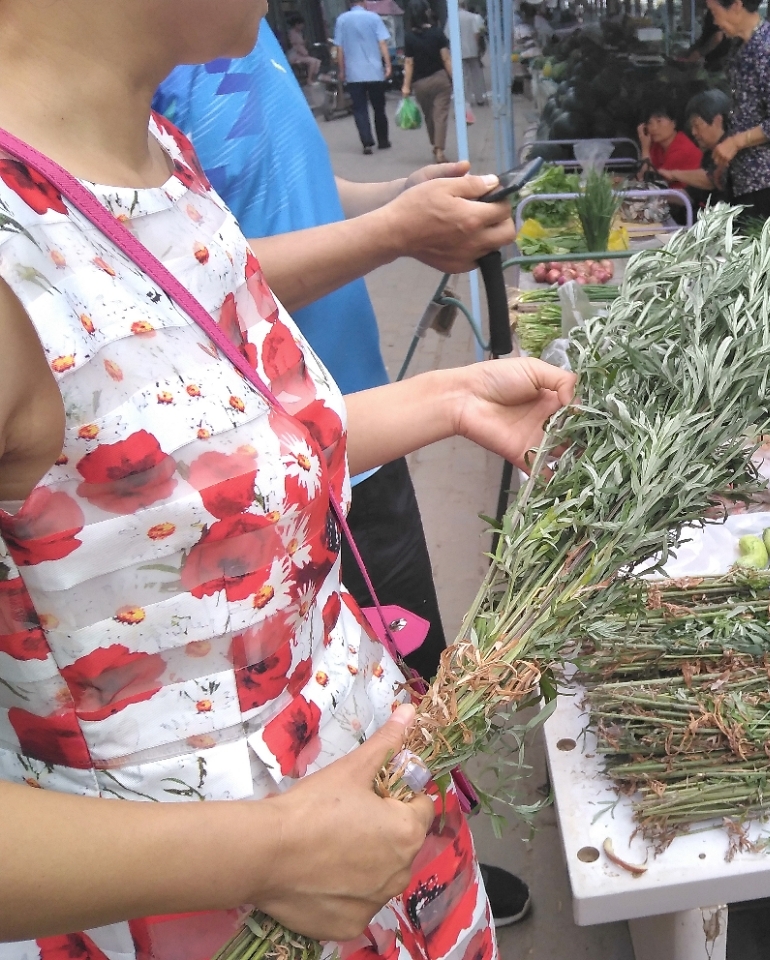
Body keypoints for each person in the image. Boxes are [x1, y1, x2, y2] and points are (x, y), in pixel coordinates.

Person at [0, 1, 572, 955]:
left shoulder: (150, 152)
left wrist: (452, 397)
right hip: (202, 911)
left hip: (371, 852)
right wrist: (264, 853)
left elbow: (203, 472)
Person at [154, 18, 532, 925]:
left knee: (411, 667)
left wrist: (393, 197)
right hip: (267, 461)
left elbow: (266, 194)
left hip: (346, 415)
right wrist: (395, 234)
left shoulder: (234, 35)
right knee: (343, 693)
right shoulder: (138, 70)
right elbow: (185, 288)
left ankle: (432, 859)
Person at [707, 0, 770, 223]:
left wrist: (735, 143)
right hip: (743, 169)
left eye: (715, 12)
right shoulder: (738, 45)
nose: (714, 20)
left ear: (737, 5)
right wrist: (728, 160)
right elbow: (741, 110)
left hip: (766, 174)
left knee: (750, 246)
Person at [335, 0, 393, 154]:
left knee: (360, 108)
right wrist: (388, 64)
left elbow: (339, 49)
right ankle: (383, 140)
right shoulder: (374, 17)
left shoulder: (341, 20)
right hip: (374, 71)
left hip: (354, 73)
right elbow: (382, 44)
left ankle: (367, 142)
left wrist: (342, 70)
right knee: (379, 108)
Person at [669, 89, 734, 215]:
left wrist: (674, 174)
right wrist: (657, 195)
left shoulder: (730, 151)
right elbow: (689, 194)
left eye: (697, 125)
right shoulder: (708, 154)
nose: (693, 132)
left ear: (717, 121)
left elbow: (711, 180)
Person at [638, 101, 705, 223]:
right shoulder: (657, 146)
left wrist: (645, 149)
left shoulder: (682, 148)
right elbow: (641, 177)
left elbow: (652, 183)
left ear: (674, 123)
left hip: (685, 209)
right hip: (665, 204)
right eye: (649, 123)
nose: (653, 128)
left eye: (659, 121)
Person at [403, 7, 453, 163]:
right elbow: (446, 58)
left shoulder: (409, 37)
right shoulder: (437, 33)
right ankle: (439, 150)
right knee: (440, 115)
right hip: (440, 79)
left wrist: (406, 86)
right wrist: (454, 78)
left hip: (420, 83)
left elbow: (409, 63)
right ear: (427, 14)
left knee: (429, 116)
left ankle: (435, 144)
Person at [457, 5, 488, 107]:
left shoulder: (453, 17)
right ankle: (480, 98)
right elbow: (477, 33)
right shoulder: (473, 17)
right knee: (476, 75)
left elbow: (448, 34)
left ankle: (467, 100)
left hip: (460, 50)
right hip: (472, 49)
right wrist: (478, 47)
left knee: (464, 76)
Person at [285, 15, 322, 84]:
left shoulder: (299, 33)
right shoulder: (292, 33)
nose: (302, 26)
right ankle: (309, 79)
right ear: (296, 24)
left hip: (301, 53)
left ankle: (313, 77)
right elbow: (296, 45)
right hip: (295, 55)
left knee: (317, 61)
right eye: (301, 25)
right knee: (313, 62)